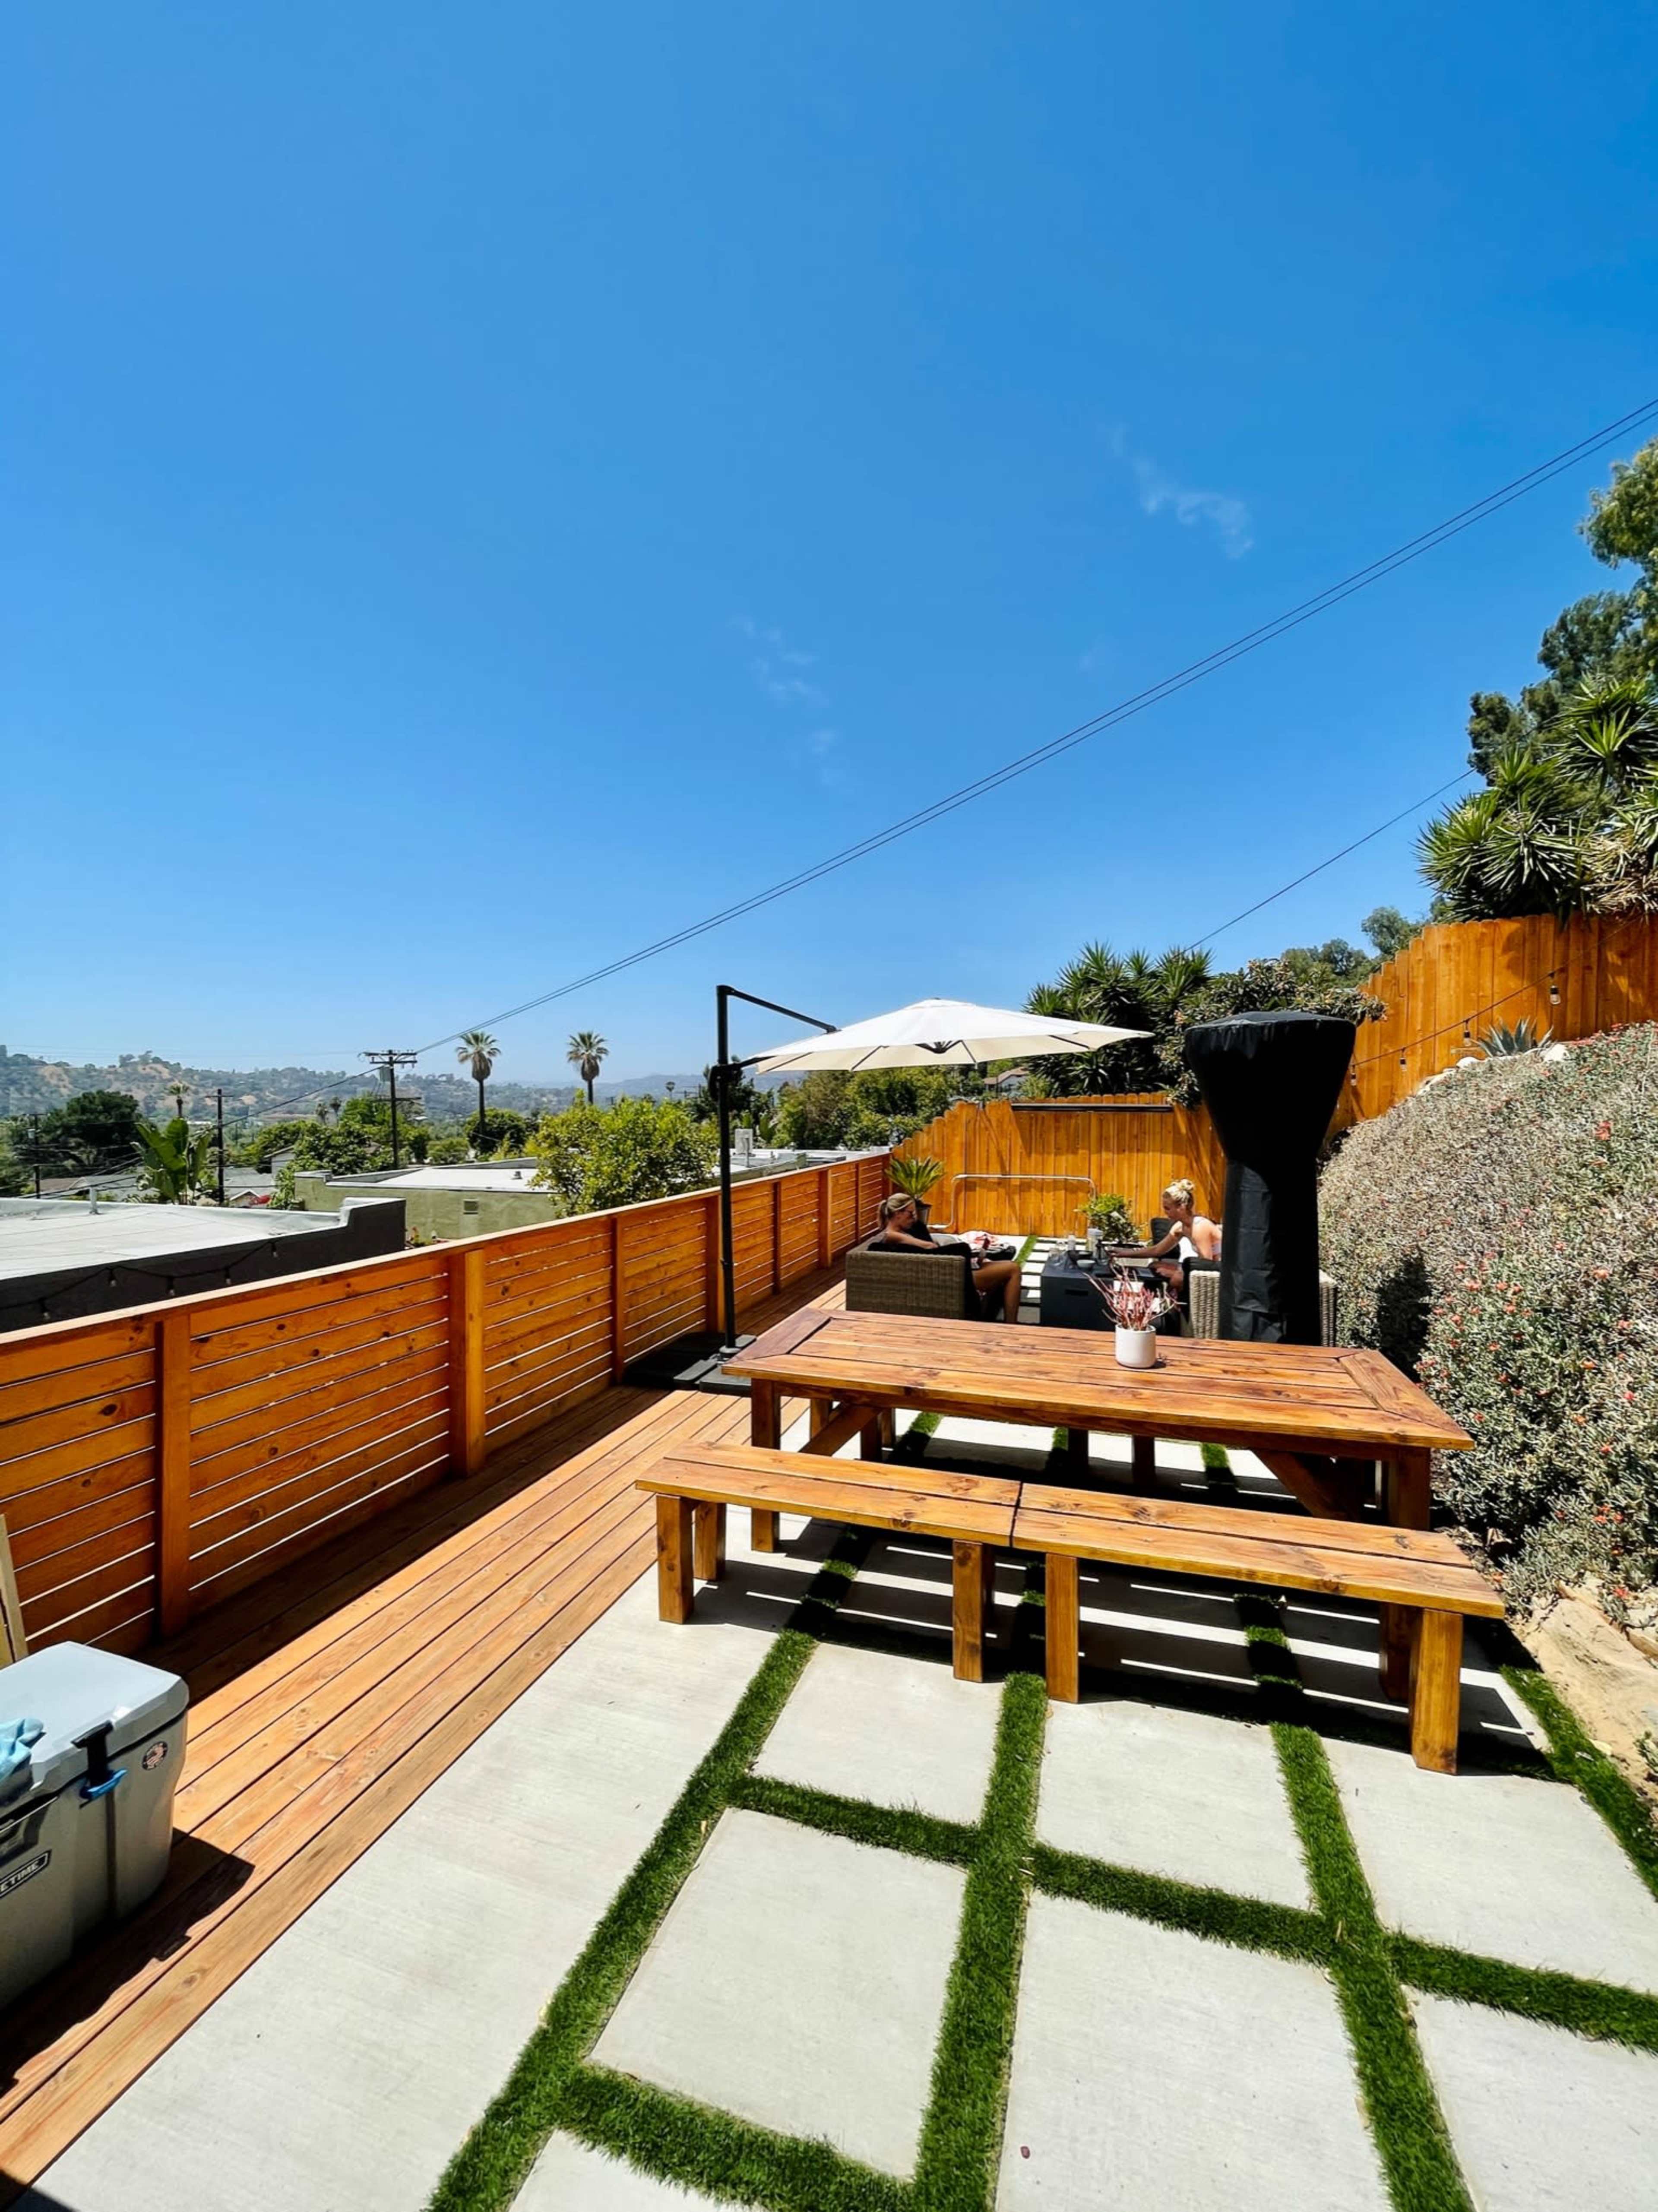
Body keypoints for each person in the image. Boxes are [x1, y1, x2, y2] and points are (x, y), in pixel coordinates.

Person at [872, 1192, 1023, 1322]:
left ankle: (992, 1318)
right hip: (948, 1277)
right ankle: (1011, 1324)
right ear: (898, 1214)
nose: (914, 1218)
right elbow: (928, 1247)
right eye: (911, 1214)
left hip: (946, 1270)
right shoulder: (892, 1236)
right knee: (1013, 1270)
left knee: (1006, 1266)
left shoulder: (908, 1230)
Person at [1115, 1179, 1221, 1294]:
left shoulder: (1200, 1227)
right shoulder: (1181, 1227)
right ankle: (1147, 1304)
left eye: (1167, 1208)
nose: (1165, 1212)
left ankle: (1176, 1308)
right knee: (1155, 1266)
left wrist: (1174, 1273)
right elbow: (1157, 1250)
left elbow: (1207, 1264)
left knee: (1178, 1279)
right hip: (1208, 1268)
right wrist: (1123, 1253)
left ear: (1181, 1207)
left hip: (1221, 1272)